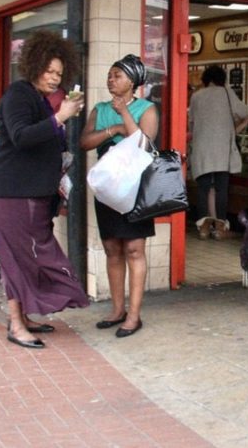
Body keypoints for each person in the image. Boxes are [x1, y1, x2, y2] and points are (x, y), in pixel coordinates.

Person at [0, 30, 88, 348]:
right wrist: (60, 117)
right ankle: (16, 325)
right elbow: (20, 136)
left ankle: (24, 316)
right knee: (20, 259)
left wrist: (60, 118)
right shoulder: (18, 93)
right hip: (11, 193)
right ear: (35, 65)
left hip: (33, 194)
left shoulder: (40, 100)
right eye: (50, 71)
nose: (55, 78)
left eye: (59, 73)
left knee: (30, 257)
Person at [80, 54, 158, 338]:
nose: (111, 79)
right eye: (110, 75)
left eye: (118, 75)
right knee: (112, 248)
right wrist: (113, 128)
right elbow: (84, 142)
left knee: (134, 249)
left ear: (133, 81)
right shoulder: (99, 109)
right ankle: (117, 309)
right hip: (108, 186)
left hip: (136, 186)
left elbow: (144, 145)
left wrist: (125, 113)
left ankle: (134, 315)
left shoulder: (147, 109)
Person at [188, 65, 248, 239]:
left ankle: (203, 228)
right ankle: (220, 228)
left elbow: (191, 122)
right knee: (221, 189)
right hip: (222, 149)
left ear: (206, 79)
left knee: (203, 189)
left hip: (201, 149)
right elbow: (245, 111)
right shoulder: (226, 92)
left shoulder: (196, 96)